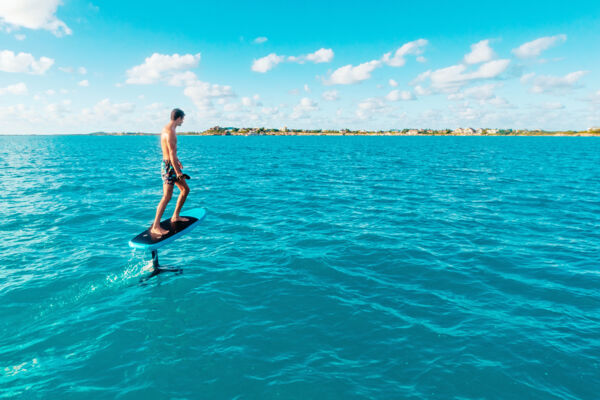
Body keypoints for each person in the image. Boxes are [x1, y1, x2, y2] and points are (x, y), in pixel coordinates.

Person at [150, 108, 190, 236]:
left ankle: (175, 216)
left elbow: (170, 151)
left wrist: (177, 161)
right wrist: (178, 173)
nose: (182, 121)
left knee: (185, 190)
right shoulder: (171, 132)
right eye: (182, 119)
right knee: (167, 196)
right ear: (179, 118)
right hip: (169, 167)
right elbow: (171, 154)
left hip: (170, 164)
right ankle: (155, 226)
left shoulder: (166, 129)